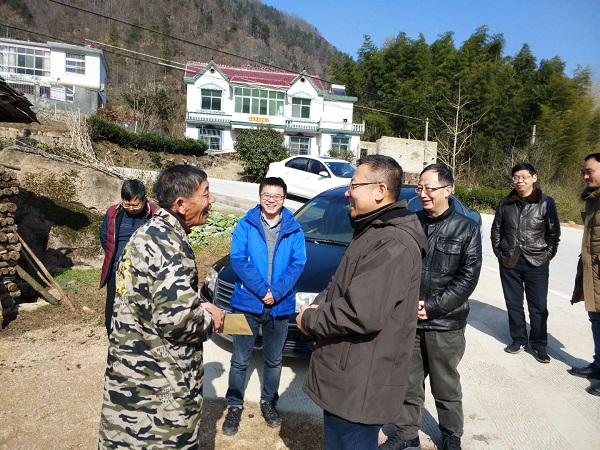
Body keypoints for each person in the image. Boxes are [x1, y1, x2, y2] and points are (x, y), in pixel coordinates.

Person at [296, 155, 427, 450]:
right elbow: (337, 284)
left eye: (354, 185)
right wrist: (317, 305)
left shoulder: (393, 243)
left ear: (380, 190)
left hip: (361, 382)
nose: (347, 192)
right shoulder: (371, 230)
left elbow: (361, 311)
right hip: (348, 376)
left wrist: (310, 319)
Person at [98, 165, 225, 449]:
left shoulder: (146, 234)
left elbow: (151, 299)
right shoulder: (170, 245)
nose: (212, 200)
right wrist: (209, 318)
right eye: (206, 194)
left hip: (131, 378)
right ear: (181, 204)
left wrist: (195, 303)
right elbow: (180, 322)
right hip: (160, 386)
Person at [379, 164, 482, 450]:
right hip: (409, 321)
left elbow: (467, 278)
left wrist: (433, 307)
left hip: (445, 323)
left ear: (448, 190)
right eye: (420, 188)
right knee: (407, 382)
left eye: (430, 188)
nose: (423, 194)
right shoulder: (411, 223)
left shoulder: (467, 229)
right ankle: (406, 434)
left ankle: (451, 435)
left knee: (445, 384)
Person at [222, 177, 306, 435]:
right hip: (245, 303)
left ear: (284, 199)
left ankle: (269, 402)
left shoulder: (294, 229)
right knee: (239, 359)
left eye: (277, 196)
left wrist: (276, 292)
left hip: (280, 306)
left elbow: (298, 263)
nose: (271, 200)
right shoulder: (245, 224)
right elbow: (237, 259)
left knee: (274, 360)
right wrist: (262, 290)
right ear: (259, 197)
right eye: (267, 195)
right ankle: (234, 404)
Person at [491, 163, 561, 363]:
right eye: (516, 177)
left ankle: (538, 344)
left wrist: (547, 255)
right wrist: (499, 252)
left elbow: (554, 233)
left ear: (534, 178)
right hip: (509, 261)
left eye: (524, 177)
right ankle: (518, 339)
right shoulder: (505, 203)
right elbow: (496, 230)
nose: (519, 181)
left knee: (538, 307)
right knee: (513, 304)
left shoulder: (546, 202)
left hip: (536, 262)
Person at [99, 179, 156, 335]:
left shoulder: (154, 214)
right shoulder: (113, 213)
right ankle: (114, 339)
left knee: (141, 312)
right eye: (127, 204)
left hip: (143, 273)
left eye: (136, 205)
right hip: (117, 271)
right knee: (112, 312)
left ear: (144, 199)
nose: (131, 208)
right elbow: (105, 238)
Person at [568, 153, 600, 396]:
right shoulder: (593, 198)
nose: (585, 176)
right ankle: (598, 365)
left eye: (590, 171)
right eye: (583, 172)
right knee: (596, 319)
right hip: (593, 271)